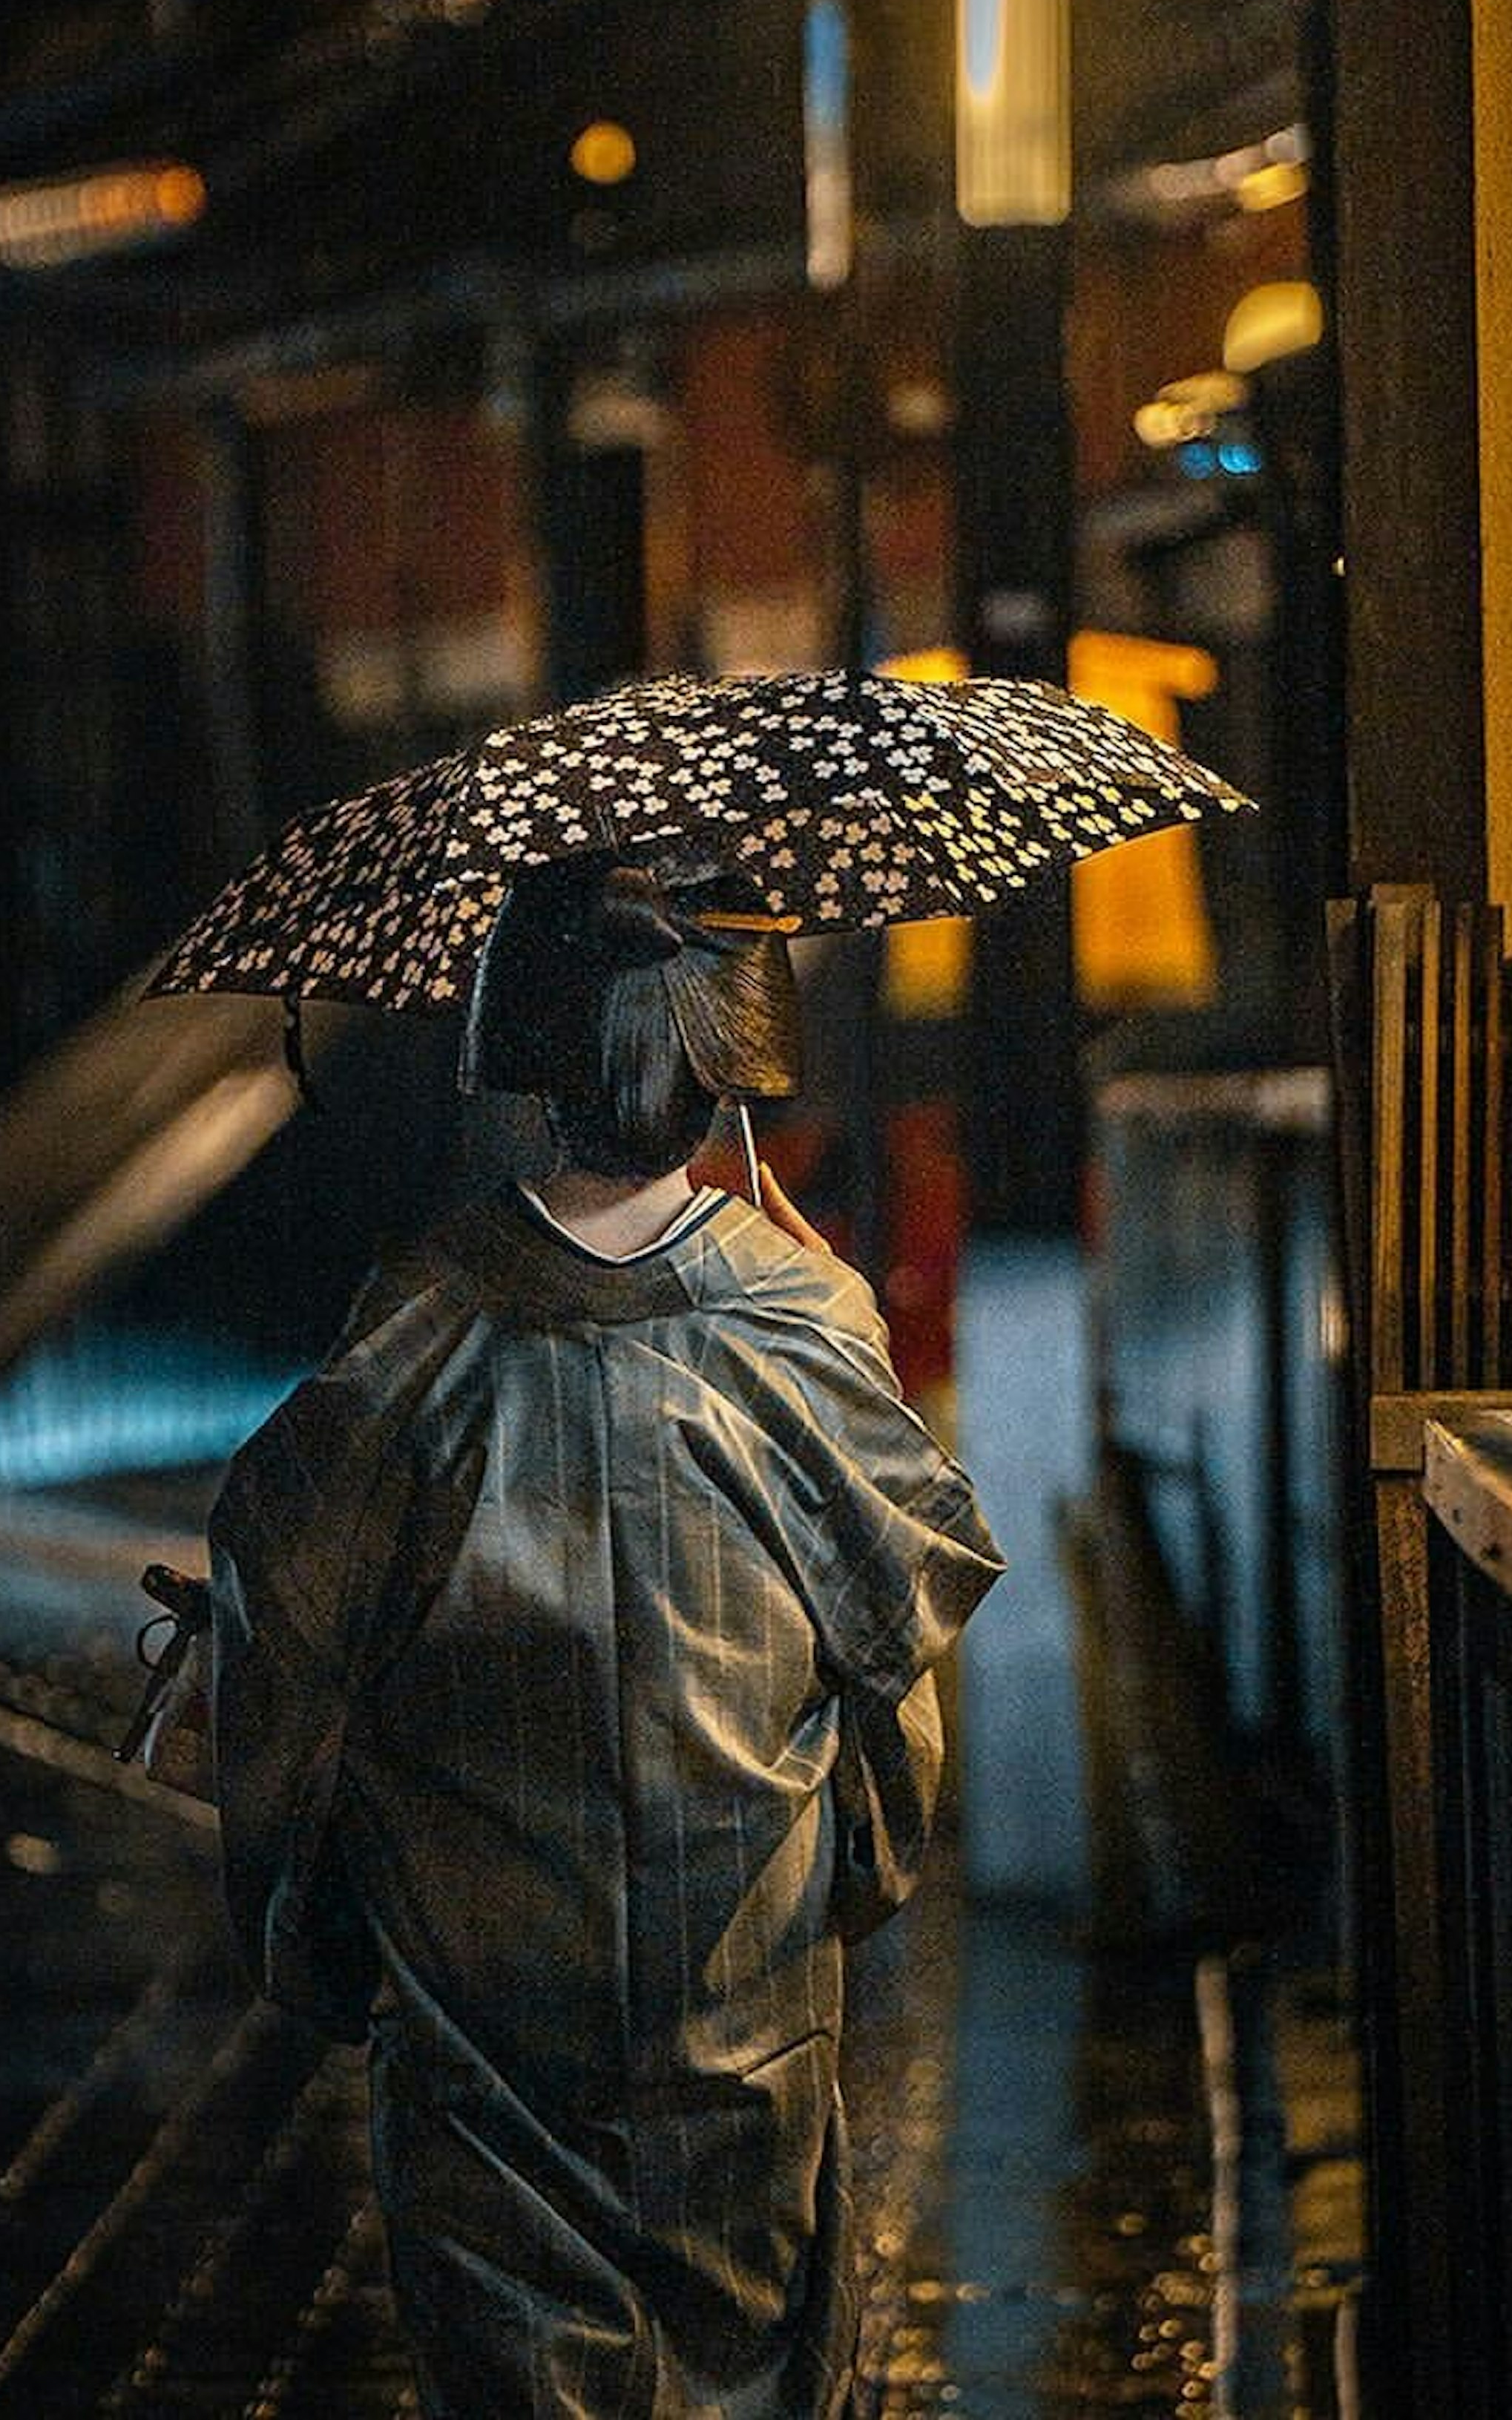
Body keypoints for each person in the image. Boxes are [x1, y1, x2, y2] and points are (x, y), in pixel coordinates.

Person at [210, 857, 1002, 2420]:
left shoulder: (421, 1323)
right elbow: (892, 1680)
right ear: (730, 1071)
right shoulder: (802, 1318)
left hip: (483, 2017)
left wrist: (312, 1929)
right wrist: (854, 1874)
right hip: (746, 2009)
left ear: (527, 1062)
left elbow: (282, 1638)